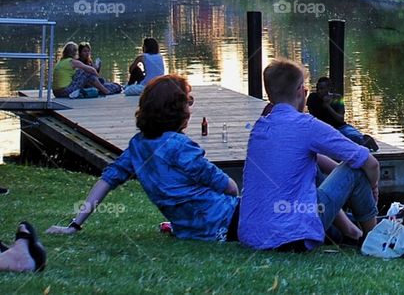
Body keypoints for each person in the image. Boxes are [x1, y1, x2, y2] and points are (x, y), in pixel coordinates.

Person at [47, 75, 240, 242]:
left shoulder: (137, 147)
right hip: (227, 221)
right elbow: (230, 187)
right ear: (176, 110)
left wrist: (75, 225)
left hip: (190, 231)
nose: (190, 110)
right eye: (187, 103)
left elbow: (106, 181)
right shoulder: (180, 146)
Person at [238, 59, 381, 251]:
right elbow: (371, 164)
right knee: (356, 167)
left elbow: (314, 161)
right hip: (293, 235)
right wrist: (372, 186)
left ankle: (353, 233)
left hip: (252, 236)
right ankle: (376, 241)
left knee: (310, 170)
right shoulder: (306, 125)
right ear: (300, 91)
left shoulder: (260, 128)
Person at [306, 76, 378, 151]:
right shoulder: (313, 98)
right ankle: (362, 144)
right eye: (318, 89)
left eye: (322, 89)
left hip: (340, 126)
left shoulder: (338, 98)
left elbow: (341, 119)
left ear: (328, 88)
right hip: (325, 129)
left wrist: (328, 106)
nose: (319, 91)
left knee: (351, 134)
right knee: (341, 139)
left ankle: (366, 142)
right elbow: (312, 116)